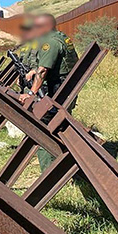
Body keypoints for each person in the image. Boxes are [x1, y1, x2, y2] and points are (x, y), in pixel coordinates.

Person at [17, 14, 79, 171]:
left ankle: (48, 171)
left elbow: (43, 70)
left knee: (41, 127)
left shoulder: (49, 43)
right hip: (66, 90)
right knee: (61, 128)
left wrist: (31, 94)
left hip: (57, 91)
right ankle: (67, 164)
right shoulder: (60, 38)